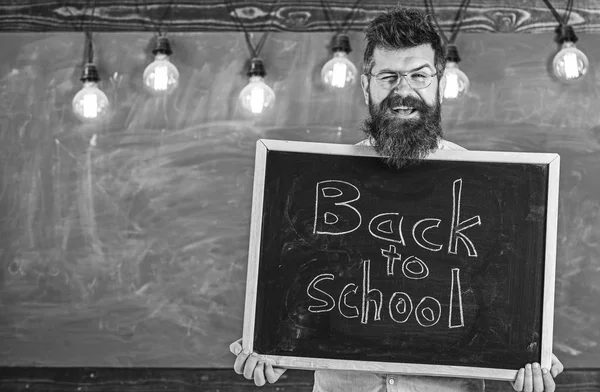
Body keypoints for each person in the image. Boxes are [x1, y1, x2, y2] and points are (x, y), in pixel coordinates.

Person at [230, 7, 564, 392]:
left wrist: (528, 352)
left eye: (419, 75)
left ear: (438, 82)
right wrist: (271, 346)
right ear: (366, 84)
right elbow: (300, 298)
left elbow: (506, 313)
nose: (403, 91)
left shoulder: (490, 190)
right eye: (388, 76)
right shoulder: (322, 184)